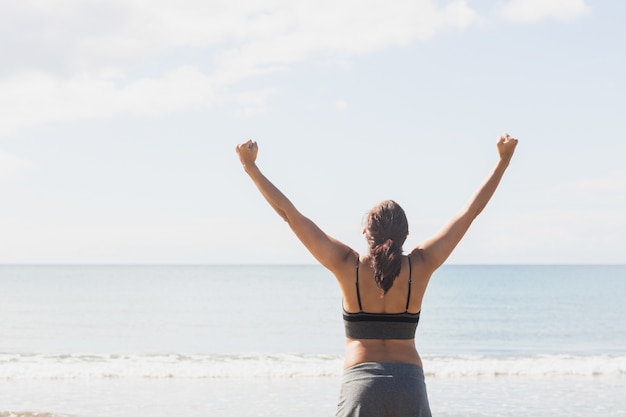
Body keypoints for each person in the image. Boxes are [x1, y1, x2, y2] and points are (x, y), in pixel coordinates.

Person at [236, 134, 518, 417]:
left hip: (361, 384)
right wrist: (502, 162)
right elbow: (470, 213)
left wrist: (251, 168)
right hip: (409, 384)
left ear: (365, 232)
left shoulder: (346, 265)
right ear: (405, 235)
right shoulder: (421, 264)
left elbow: (290, 214)